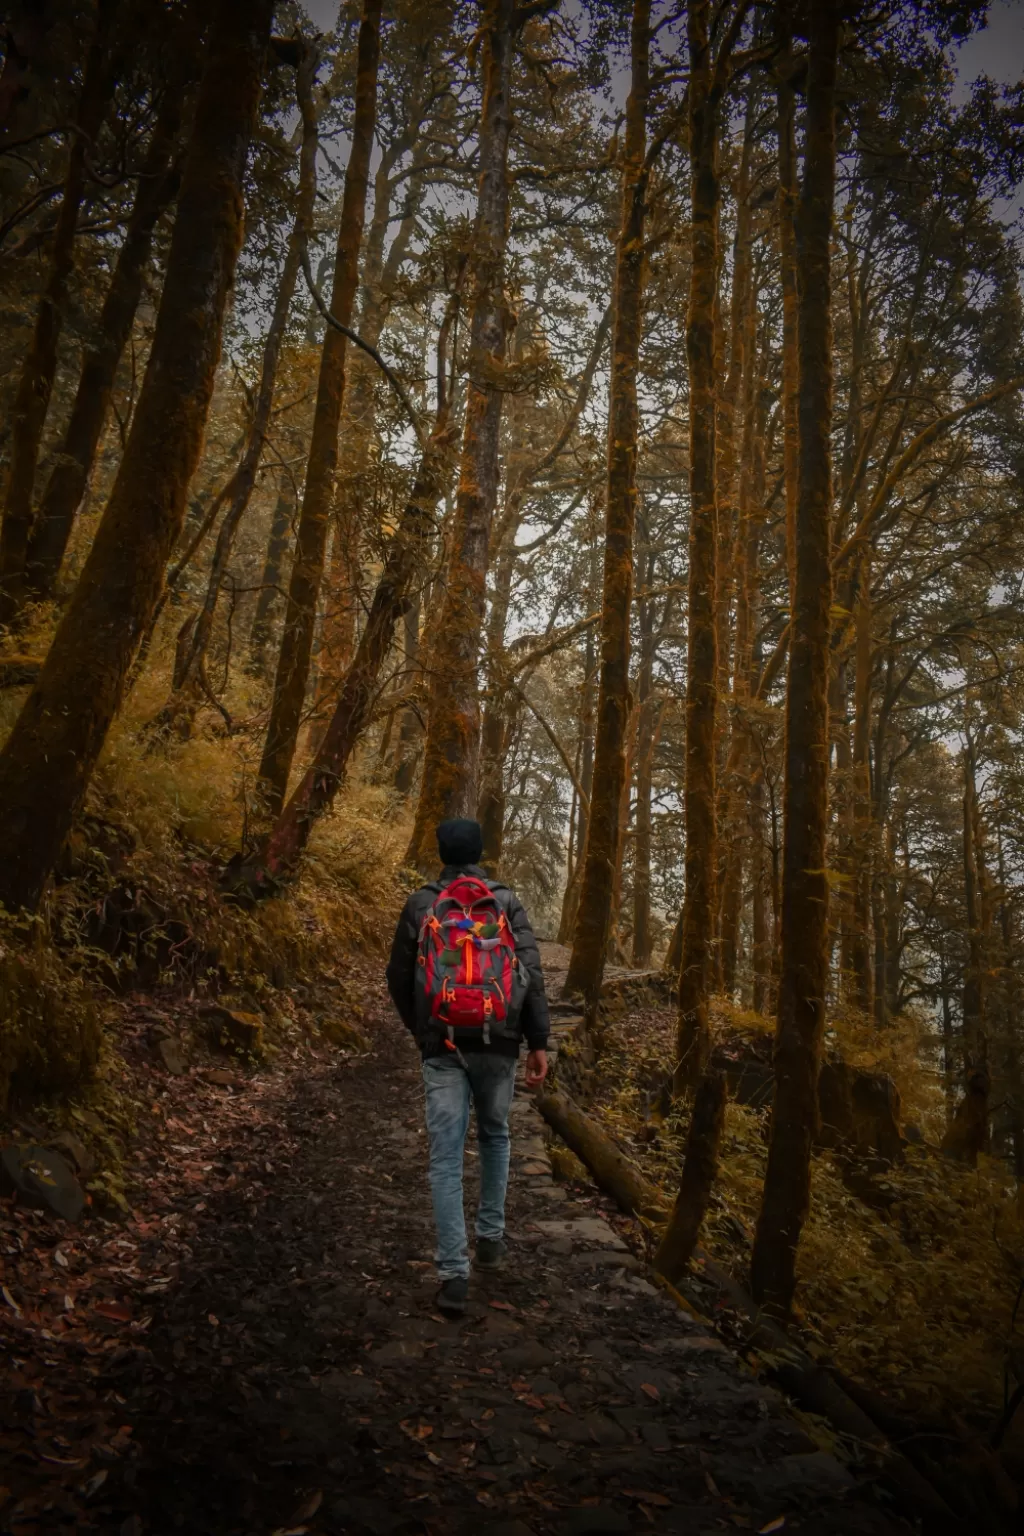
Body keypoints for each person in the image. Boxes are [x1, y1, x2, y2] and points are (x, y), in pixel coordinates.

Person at [386, 817, 550, 1315]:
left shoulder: (421, 903)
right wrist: (537, 1041)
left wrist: (422, 1029)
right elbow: (531, 971)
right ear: (482, 849)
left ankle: (454, 1274)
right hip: (499, 1041)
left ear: (439, 849)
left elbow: (397, 975)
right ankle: (491, 1240)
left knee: (445, 1156)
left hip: (443, 1043)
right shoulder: (504, 900)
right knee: (496, 1136)